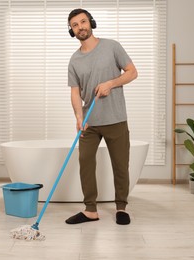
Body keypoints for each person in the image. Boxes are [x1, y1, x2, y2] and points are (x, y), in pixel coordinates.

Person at [65, 8, 138, 225]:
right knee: (85, 162)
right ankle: (90, 210)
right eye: (75, 25)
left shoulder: (111, 46)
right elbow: (75, 92)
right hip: (90, 122)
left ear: (91, 22)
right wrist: (79, 117)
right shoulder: (74, 61)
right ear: (71, 30)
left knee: (120, 164)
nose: (80, 27)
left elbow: (132, 72)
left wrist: (111, 83)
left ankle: (121, 208)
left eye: (83, 22)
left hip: (116, 118)